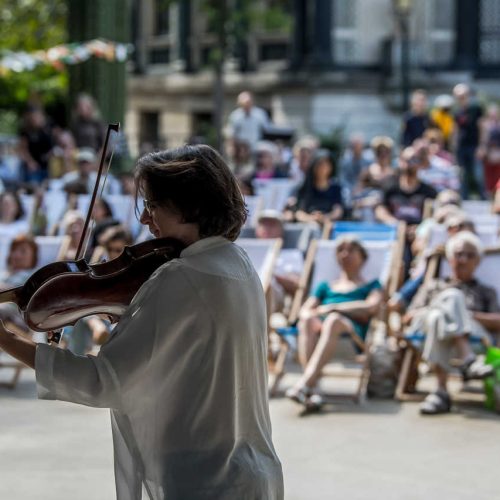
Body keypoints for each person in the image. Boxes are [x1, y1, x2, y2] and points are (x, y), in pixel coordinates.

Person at [0, 144, 283, 499]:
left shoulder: (182, 276)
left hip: (203, 479)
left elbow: (102, 382)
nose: (145, 219)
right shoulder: (237, 263)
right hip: (253, 472)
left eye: (152, 205)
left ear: (188, 204)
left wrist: (8, 339)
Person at [404, 231, 499, 414]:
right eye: (458, 254)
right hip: (424, 330)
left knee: (438, 318)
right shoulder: (432, 285)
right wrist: (446, 307)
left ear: (477, 261)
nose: (463, 259)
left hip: (475, 335)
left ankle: (440, 392)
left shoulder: (486, 291)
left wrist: (466, 314)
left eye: (469, 255)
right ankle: (467, 359)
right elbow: (408, 317)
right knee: (447, 302)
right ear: (449, 258)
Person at [286, 237, 383, 410]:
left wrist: (334, 308)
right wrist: (313, 314)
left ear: (363, 257)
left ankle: (304, 384)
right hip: (319, 334)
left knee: (334, 320)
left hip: (352, 339)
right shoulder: (325, 286)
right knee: (308, 320)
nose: (345, 254)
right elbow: (305, 310)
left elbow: (371, 307)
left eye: (351, 250)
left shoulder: (371, 285)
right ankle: (312, 389)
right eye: (341, 250)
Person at [293, 151, 344, 225]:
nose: (322, 168)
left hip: (328, 225)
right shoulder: (305, 187)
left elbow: (338, 211)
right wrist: (311, 219)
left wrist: (324, 218)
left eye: (326, 164)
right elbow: (298, 212)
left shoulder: (335, 188)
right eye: (320, 165)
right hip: (307, 226)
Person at [453, 83, 485, 199]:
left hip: (474, 146)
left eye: (463, 96)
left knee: (478, 173)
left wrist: (482, 146)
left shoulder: (476, 109)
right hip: (462, 147)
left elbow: (482, 127)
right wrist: (454, 147)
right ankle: (464, 197)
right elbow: (456, 131)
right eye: (458, 96)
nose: (461, 99)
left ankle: (483, 196)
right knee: (462, 174)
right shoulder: (457, 112)